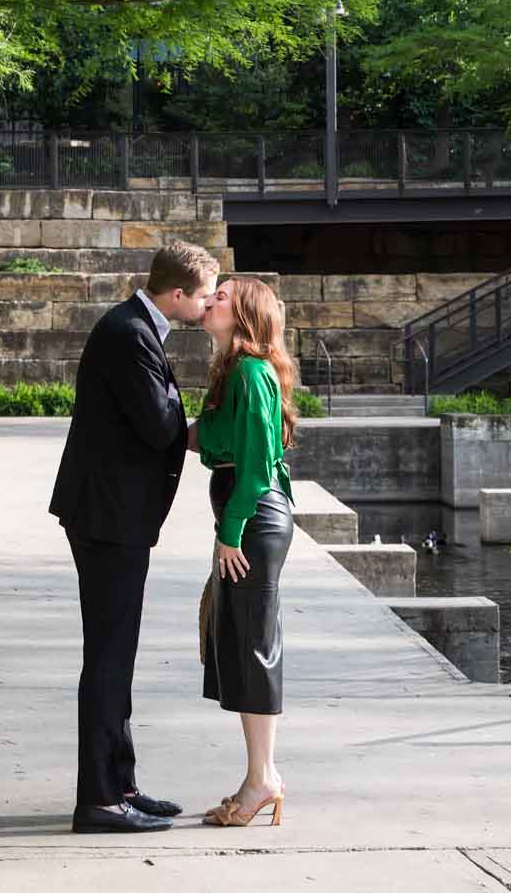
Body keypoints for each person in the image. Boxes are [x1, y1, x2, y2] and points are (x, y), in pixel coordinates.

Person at [49, 239, 219, 836]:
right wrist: (205, 415)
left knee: (116, 655)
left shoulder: (138, 330)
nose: (207, 308)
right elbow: (159, 425)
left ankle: (120, 784)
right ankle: (99, 800)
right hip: (106, 518)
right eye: (202, 298)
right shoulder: (128, 334)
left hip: (114, 516)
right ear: (177, 294)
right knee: (108, 657)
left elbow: (157, 418)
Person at [190, 275, 297, 829]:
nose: (210, 300)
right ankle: (258, 775)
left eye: (222, 296)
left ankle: (264, 778)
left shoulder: (253, 372)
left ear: (246, 313)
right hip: (244, 517)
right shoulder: (235, 372)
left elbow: (256, 468)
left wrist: (229, 530)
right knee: (240, 644)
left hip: (252, 520)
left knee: (255, 645)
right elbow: (210, 438)